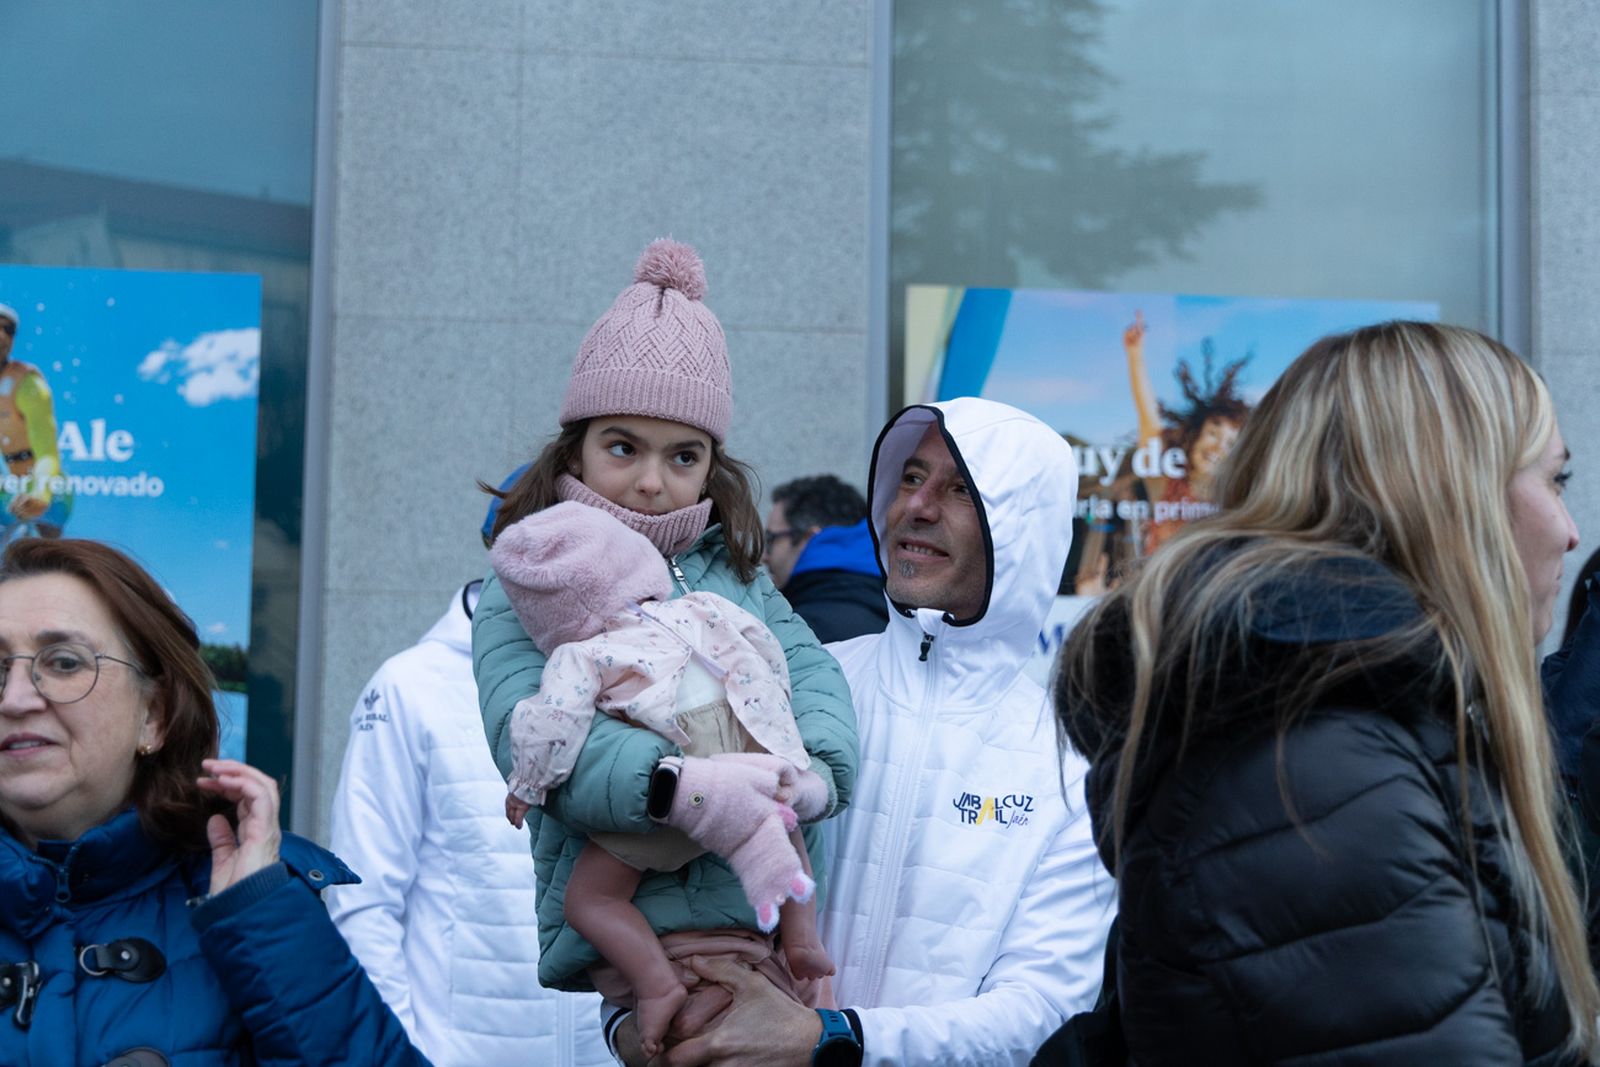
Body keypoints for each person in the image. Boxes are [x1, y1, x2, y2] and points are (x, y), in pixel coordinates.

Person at [1057, 321, 1598, 1064]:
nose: (1571, 532)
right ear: (1450, 495)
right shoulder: (1314, 771)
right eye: (1556, 478)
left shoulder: (1349, 727)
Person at [472, 238, 856, 1062]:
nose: (652, 481)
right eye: (624, 446)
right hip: (647, 926)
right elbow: (525, 718)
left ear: (714, 465)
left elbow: (814, 673)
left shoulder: (740, 573)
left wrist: (818, 772)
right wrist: (676, 785)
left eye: (683, 456)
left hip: (751, 922)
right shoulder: (532, 575)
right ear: (574, 445)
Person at [660, 396, 1112, 1067]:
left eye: (960, 488)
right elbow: (669, 884)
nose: (919, 506)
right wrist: (639, 1023)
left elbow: (1043, 1011)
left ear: (1023, 529)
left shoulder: (1068, 763)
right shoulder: (799, 684)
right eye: (910, 476)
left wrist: (836, 1040)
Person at [0, 537, 425, 1065]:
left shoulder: (249, 902)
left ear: (153, 716)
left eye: (63, 662)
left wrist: (261, 918)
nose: (15, 699)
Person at [493, 501, 839, 1056]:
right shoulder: (704, 608)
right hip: (748, 768)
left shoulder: (585, 652)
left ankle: (655, 984)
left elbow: (551, 724)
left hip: (682, 792)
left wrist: (528, 785)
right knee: (785, 830)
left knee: (591, 901)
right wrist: (779, 743)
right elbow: (769, 655)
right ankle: (802, 939)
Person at [325, 481, 611, 1065]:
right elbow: (364, 896)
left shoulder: (634, 679)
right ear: (498, 546)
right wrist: (402, 1056)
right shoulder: (411, 686)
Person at [764, 475, 887, 643]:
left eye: (771, 539)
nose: (764, 557)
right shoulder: (899, 622)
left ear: (809, 537)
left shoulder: (796, 633)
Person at [0, 304, 71, 539]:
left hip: (45, 488)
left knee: (36, 559)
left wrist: (41, 494)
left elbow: (48, 454)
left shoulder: (28, 386)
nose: (1, 335)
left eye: (8, 330)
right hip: (6, 488)